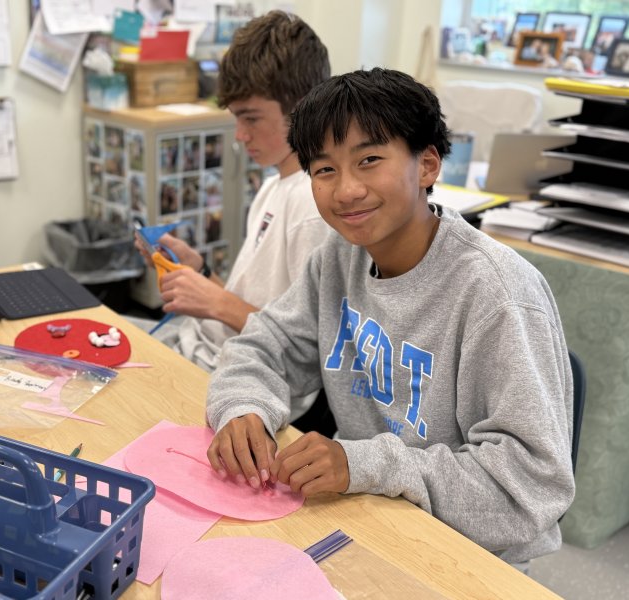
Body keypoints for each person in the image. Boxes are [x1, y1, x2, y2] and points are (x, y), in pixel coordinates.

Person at [205, 68, 575, 567]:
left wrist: (366, 464)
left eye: (369, 160)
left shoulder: (498, 295)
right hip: (369, 516)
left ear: (426, 165)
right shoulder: (337, 260)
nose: (346, 190)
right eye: (324, 170)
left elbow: (529, 489)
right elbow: (262, 346)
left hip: (473, 556)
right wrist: (244, 408)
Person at [135, 12, 332, 389]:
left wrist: (215, 301)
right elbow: (259, 305)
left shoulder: (313, 205)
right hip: (205, 347)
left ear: (303, 107)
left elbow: (310, 354)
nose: (239, 136)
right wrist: (203, 273)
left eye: (251, 118)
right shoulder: (275, 186)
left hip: (238, 379)